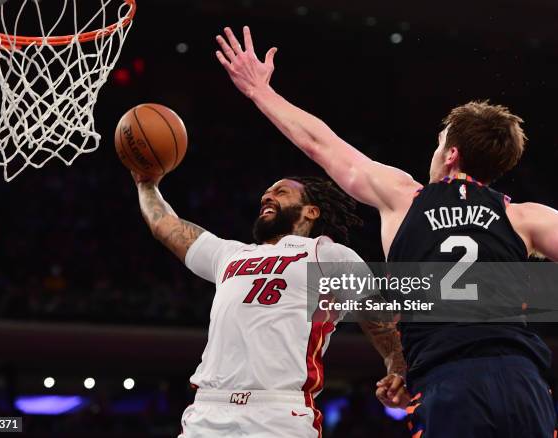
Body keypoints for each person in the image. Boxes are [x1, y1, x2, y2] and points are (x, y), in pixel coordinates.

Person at [215, 25, 558, 437]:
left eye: (438, 144)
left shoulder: (404, 197)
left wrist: (259, 90)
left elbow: (320, 144)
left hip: (450, 384)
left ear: (451, 154)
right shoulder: (524, 217)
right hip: (524, 381)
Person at [132, 172, 406, 438]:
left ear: (311, 211)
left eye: (281, 192)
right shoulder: (230, 254)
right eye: (266, 195)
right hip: (208, 409)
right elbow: (165, 225)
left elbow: (379, 319)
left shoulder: (328, 254)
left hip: (279, 412)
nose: (267, 197)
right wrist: (146, 183)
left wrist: (397, 369)